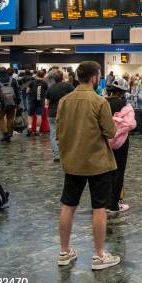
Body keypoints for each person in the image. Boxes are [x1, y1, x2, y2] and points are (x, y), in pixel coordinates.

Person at [56, 61, 120, 270]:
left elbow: (58, 133)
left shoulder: (64, 101)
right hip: (97, 163)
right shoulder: (99, 102)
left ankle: (64, 252)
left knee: (68, 205)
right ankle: (99, 255)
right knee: (99, 208)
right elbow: (110, 132)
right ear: (94, 78)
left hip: (72, 162)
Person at [106, 78, 136, 218]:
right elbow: (131, 124)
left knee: (105, 171)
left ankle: (104, 203)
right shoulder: (126, 106)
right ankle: (114, 205)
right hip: (122, 142)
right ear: (123, 92)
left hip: (105, 141)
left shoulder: (103, 103)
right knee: (119, 172)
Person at [46, 70, 74, 162]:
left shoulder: (50, 88)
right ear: (62, 77)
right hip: (65, 113)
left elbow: (46, 103)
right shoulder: (68, 86)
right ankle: (67, 153)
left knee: (54, 134)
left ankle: (57, 155)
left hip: (52, 114)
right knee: (67, 133)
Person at [0, 67, 21, 143]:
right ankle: (9, 135)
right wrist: (18, 102)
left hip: (1, 104)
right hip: (12, 102)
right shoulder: (13, 80)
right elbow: (17, 92)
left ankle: (5, 133)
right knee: (10, 118)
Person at [27, 70, 48, 137]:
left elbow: (27, 90)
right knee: (39, 115)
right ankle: (37, 130)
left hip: (32, 100)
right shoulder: (45, 83)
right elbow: (46, 92)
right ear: (44, 76)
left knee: (30, 115)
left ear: (36, 75)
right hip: (40, 101)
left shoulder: (32, 82)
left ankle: (30, 128)